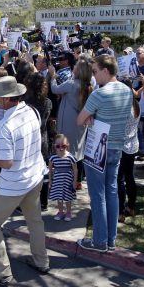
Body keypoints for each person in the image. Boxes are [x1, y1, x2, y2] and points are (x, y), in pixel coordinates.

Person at [0, 76, 49, 286]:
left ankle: (1, 272)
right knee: (35, 220)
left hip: (15, 183)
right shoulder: (32, 111)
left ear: (6, 99)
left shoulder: (5, 126)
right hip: (35, 176)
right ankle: (41, 261)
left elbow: (7, 163)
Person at [76, 54, 134, 252]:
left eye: (95, 72)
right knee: (112, 192)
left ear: (105, 71)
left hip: (98, 148)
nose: (94, 76)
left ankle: (100, 241)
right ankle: (110, 239)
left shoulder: (99, 94)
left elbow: (80, 120)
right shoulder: (127, 91)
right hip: (116, 146)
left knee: (98, 195)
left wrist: (90, 116)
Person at [49, 58, 93, 190]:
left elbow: (55, 89)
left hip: (69, 121)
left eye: (76, 66)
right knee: (78, 150)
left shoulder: (72, 83)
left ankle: (68, 181)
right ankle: (78, 181)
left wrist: (52, 76)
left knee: (67, 150)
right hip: (80, 121)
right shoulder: (88, 85)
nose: (73, 67)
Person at [23, 72, 54, 211]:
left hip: (30, 138)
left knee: (29, 170)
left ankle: (30, 201)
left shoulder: (25, 102)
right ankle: (44, 201)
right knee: (44, 171)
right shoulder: (48, 102)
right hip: (43, 138)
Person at [117, 80, 140, 222]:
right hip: (132, 146)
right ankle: (131, 207)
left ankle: (120, 211)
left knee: (120, 179)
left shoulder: (123, 108)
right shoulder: (136, 105)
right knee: (129, 177)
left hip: (122, 147)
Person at [49, 134, 77, 221]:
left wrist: (74, 181)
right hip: (57, 181)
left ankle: (68, 212)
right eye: (58, 146)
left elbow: (75, 170)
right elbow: (50, 170)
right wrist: (50, 180)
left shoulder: (70, 157)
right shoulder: (52, 158)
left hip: (67, 181)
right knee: (59, 198)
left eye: (63, 146)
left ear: (67, 145)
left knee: (68, 198)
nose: (60, 148)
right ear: (55, 146)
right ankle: (60, 211)